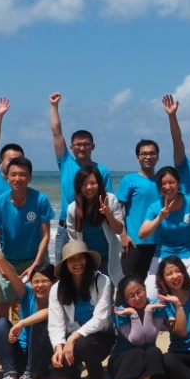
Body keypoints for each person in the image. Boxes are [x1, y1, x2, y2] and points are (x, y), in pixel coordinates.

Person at [50, 92, 114, 263]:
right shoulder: (66, 163)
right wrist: (54, 106)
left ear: (93, 146)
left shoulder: (102, 171)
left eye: (86, 144)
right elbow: (57, 133)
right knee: (62, 271)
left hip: (94, 229)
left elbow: (107, 201)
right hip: (66, 227)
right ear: (71, 147)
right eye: (78, 144)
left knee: (97, 268)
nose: (82, 148)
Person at [0, 157, 54, 319]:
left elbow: (45, 235)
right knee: (4, 303)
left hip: (37, 258)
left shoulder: (41, 200)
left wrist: (36, 264)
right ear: (7, 177)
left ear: (30, 177)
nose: (18, 179)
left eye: (22, 174)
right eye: (13, 174)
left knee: (44, 300)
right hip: (10, 261)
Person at [48, 240, 114, 379]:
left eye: (80, 258)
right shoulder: (57, 289)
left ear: (87, 259)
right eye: (71, 259)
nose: (77, 263)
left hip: (100, 335)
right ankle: (74, 374)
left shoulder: (102, 281)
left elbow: (101, 319)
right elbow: (56, 323)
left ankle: (96, 376)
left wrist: (72, 339)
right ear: (65, 264)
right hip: (72, 338)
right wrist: (58, 347)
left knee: (84, 345)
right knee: (60, 361)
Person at [0, 254, 53, 379]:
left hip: (41, 360)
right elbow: (12, 275)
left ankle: (30, 377)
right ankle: (10, 375)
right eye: (36, 282)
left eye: (45, 281)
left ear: (54, 282)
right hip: (21, 358)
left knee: (40, 322)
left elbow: (49, 312)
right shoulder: (27, 293)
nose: (40, 285)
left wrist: (21, 323)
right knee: (0, 324)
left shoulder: (58, 299)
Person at [138, 165, 190, 297]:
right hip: (164, 252)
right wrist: (159, 218)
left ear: (178, 183)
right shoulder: (155, 207)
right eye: (163, 184)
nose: (167, 187)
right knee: (151, 291)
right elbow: (142, 234)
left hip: (189, 252)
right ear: (159, 187)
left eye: (171, 182)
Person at [105, 275, 166, 379]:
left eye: (139, 292)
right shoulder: (121, 311)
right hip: (122, 362)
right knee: (137, 352)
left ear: (145, 290)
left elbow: (149, 338)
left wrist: (148, 311)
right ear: (125, 299)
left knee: (154, 352)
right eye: (131, 296)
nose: (137, 298)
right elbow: (138, 340)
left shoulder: (156, 305)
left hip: (146, 365)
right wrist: (133, 315)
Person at [65, 165, 125, 282]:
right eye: (84, 184)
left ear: (100, 183)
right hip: (86, 260)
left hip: (108, 256)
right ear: (78, 187)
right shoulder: (73, 209)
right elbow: (74, 241)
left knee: (108, 288)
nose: (89, 187)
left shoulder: (110, 200)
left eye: (93, 183)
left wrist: (107, 213)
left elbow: (118, 229)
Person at [116, 139, 162, 279]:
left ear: (157, 157)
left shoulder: (163, 182)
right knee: (130, 285)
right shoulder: (129, 180)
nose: (148, 157)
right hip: (134, 243)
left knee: (157, 286)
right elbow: (116, 210)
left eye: (152, 153)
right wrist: (123, 236)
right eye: (144, 154)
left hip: (160, 244)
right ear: (138, 158)